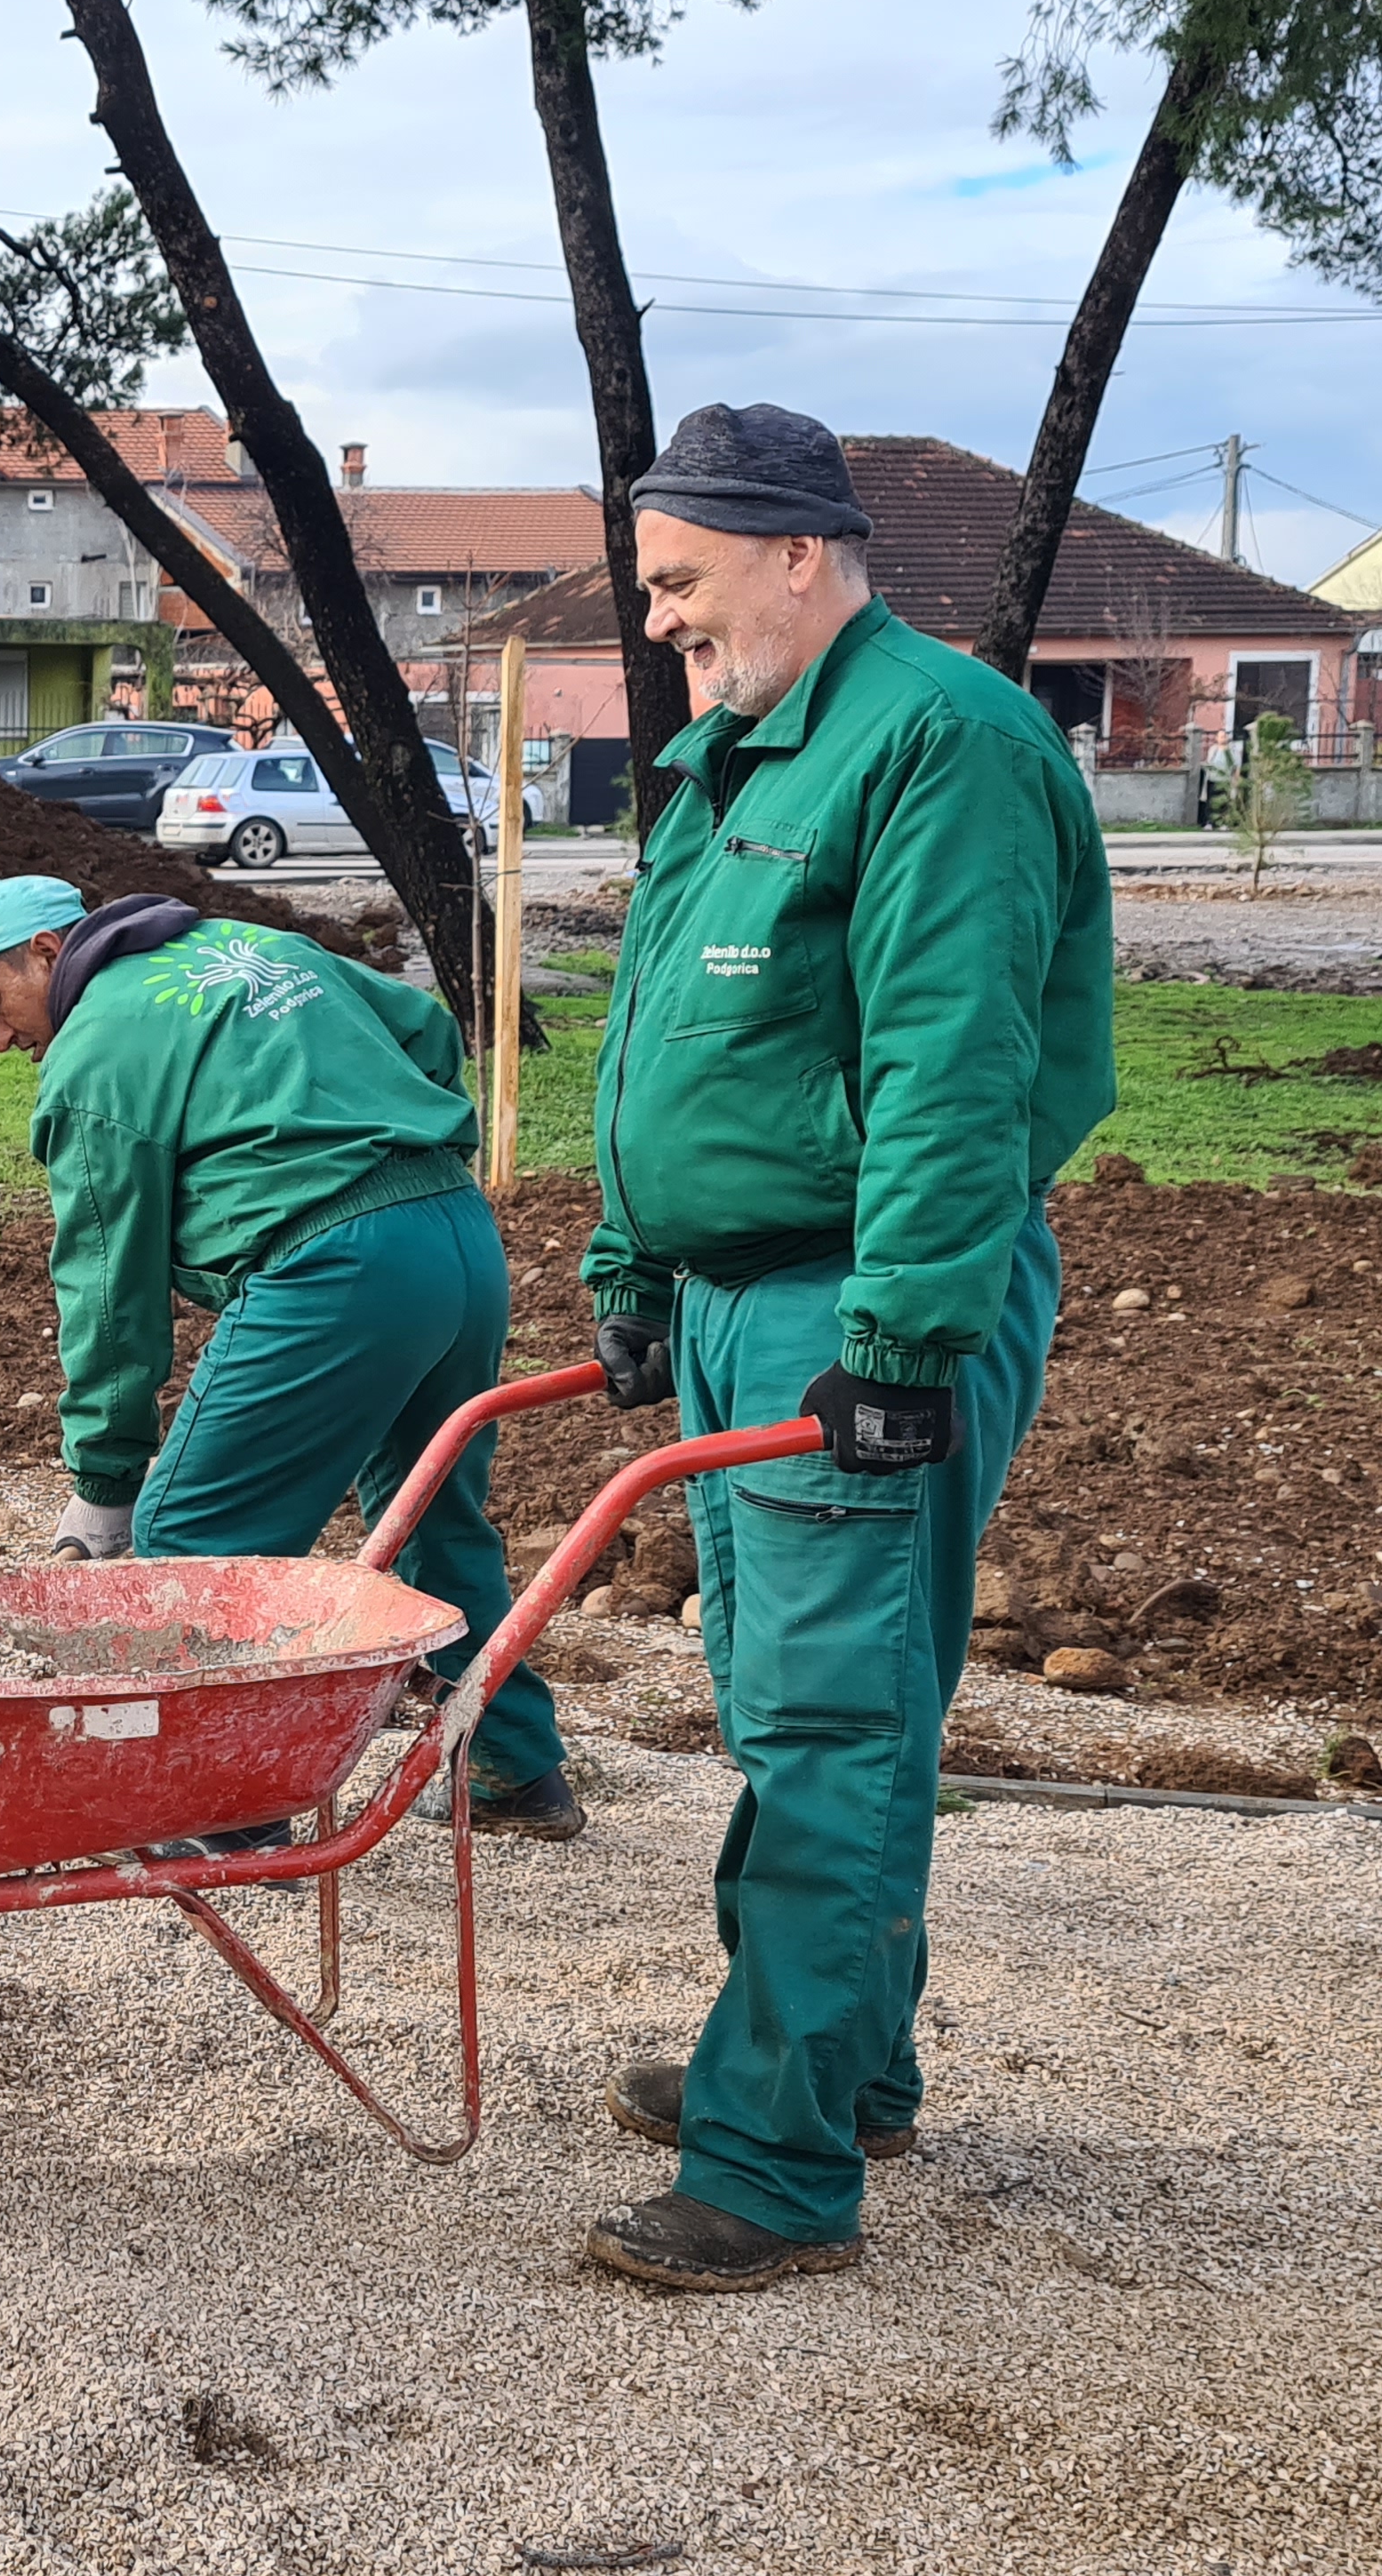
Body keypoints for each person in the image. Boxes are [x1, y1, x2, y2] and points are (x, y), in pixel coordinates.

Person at [578, 404, 1112, 2292]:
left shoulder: (941, 745)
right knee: (804, 1704)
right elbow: (660, 1028)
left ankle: (776, 2166)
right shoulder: (738, 753)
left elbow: (955, 1069)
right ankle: (845, 2072)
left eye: (680, 580)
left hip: (857, 1299)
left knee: (827, 1725)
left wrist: (894, 1338)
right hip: (743, 1300)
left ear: (798, 548)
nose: (660, 623)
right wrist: (634, 1265)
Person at [0, 874, 576, 1845]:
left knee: (193, 1533)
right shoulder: (251, 946)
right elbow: (430, 1034)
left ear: (51, 955)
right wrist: (400, 1160)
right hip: (459, 1240)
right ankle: (516, 1769)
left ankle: (228, 1814)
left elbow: (108, 1292)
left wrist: (104, 1487)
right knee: (433, 1520)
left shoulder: (94, 1055)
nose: (0, 1038)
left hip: (335, 1268)